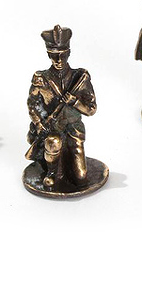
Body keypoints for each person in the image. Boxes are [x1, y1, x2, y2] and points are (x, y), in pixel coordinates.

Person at [26, 26, 97, 188]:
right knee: (52, 142)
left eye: (62, 55)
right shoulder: (41, 78)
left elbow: (91, 109)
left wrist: (74, 102)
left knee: (81, 178)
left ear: (68, 53)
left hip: (74, 129)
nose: (58, 60)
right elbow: (32, 104)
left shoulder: (80, 78)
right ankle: (51, 171)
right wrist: (39, 123)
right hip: (53, 130)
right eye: (54, 56)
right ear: (48, 55)